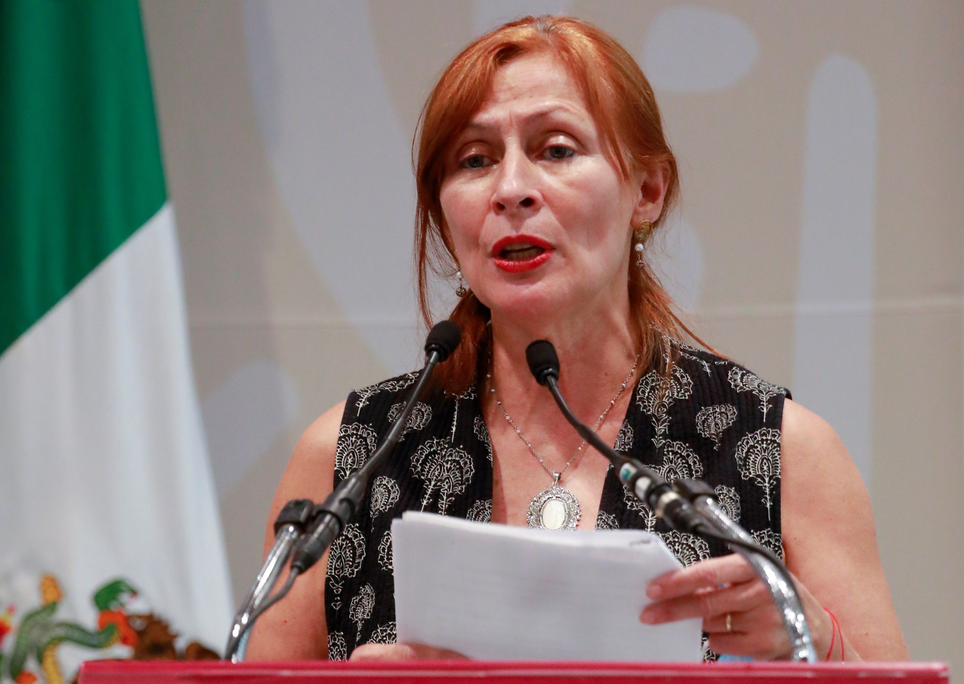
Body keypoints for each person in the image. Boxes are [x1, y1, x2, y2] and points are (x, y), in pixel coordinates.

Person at [246, 15, 907, 662]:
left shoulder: (782, 451)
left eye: (556, 150)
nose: (511, 190)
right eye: (474, 160)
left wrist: (819, 644)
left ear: (647, 190)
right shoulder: (349, 458)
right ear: (445, 216)